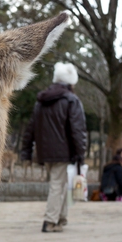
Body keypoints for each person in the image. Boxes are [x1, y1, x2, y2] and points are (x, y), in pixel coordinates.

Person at [21, 62, 88, 232]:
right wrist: (80, 153)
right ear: (71, 82)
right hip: (63, 152)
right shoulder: (71, 100)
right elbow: (77, 130)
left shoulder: (41, 101)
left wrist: (26, 152)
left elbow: (31, 128)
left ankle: (60, 219)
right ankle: (50, 221)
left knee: (61, 184)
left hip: (45, 152)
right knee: (57, 185)